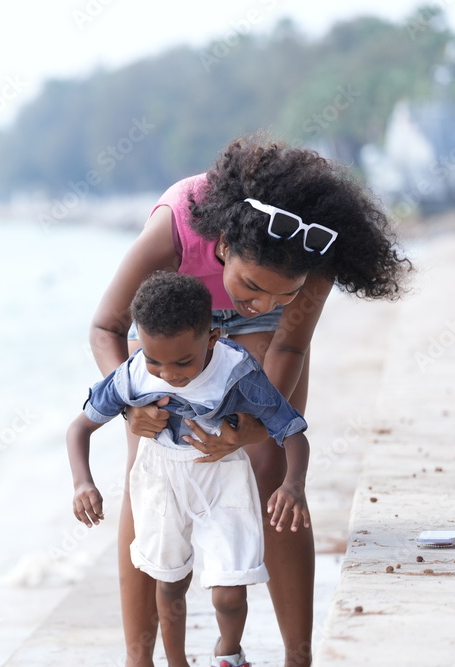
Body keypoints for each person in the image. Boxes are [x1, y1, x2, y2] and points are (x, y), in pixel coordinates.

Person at [88, 132, 411, 667]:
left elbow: (289, 340)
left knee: (268, 461)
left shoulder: (313, 253)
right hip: (177, 327)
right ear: (223, 246)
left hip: (266, 335)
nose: (265, 298)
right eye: (252, 284)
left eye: (284, 290)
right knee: (147, 462)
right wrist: (130, 407)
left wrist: (253, 426)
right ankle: (138, 658)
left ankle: (297, 654)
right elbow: (106, 326)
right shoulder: (176, 229)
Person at [68, 271, 311, 667]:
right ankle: (177, 661)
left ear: (212, 339)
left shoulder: (238, 372)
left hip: (222, 477)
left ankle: (229, 651)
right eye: (155, 361)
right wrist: (82, 483)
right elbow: (80, 428)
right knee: (170, 580)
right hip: (160, 477)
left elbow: (291, 430)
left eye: (183, 361)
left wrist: (293, 485)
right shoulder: (132, 373)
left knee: (230, 591)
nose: (170, 374)